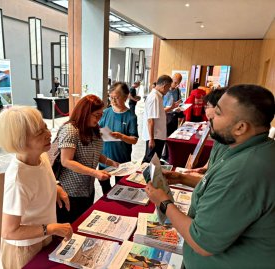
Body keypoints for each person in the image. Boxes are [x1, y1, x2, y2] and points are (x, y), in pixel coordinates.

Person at [145, 84, 275, 269]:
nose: (211, 117)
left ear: (240, 127)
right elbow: (215, 185)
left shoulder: (242, 171)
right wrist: (181, 178)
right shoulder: (253, 150)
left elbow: (202, 242)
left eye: (219, 113)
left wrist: (165, 203)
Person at [0, 106, 73, 269]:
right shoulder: (18, 178)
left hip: (44, 236)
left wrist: (55, 188)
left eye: (45, 126)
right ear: (21, 141)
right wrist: (51, 228)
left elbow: (41, 179)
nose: (48, 133)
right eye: (39, 132)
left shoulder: (41, 155)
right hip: (24, 247)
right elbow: (9, 231)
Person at [56, 94, 118, 223]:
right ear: (85, 112)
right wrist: (95, 172)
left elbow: (94, 153)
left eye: (101, 115)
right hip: (70, 191)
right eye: (96, 115)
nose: (99, 118)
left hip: (87, 189)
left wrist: (110, 162)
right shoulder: (70, 130)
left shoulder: (94, 129)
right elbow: (66, 161)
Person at [98, 82, 138, 194]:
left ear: (125, 97)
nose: (113, 101)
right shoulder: (105, 113)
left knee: (120, 190)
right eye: (111, 97)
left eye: (116, 98)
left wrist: (121, 136)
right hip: (104, 159)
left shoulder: (131, 116)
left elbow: (134, 140)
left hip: (122, 162)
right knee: (105, 189)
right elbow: (97, 129)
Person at [142, 75, 174, 163]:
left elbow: (158, 112)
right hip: (155, 136)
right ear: (165, 86)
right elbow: (150, 120)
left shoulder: (157, 96)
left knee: (153, 161)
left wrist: (171, 107)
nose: (168, 91)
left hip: (157, 135)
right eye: (168, 88)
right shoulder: (154, 97)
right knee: (150, 161)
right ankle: (146, 177)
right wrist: (151, 139)